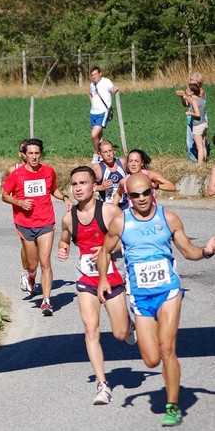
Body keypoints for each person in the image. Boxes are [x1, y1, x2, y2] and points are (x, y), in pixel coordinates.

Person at [97, 173, 215, 427]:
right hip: (140, 297)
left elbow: (187, 251)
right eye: (134, 195)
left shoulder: (168, 217)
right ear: (128, 197)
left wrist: (205, 252)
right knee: (151, 359)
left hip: (168, 291)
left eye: (145, 193)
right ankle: (134, 327)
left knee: (166, 348)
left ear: (153, 191)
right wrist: (103, 279)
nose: (141, 198)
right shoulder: (121, 222)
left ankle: (172, 405)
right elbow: (104, 251)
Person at [58, 166, 135, 404]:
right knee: (91, 329)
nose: (78, 188)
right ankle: (103, 385)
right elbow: (64, 237)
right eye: (74, 184)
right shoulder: (68, 217)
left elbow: (129, 241)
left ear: (94, 186)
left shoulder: (110, 211)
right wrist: (63, 247)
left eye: (83, 183)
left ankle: (129, 326)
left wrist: (106, 249)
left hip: (111, 276)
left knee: (120, 334)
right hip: (86, 278)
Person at [2, 138, 73, 316]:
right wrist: (19, 202)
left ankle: (46, 302)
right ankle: (30, 275)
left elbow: (53, 189)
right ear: (24, 155)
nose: (34, 157)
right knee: (32, 263)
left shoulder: (48, 171)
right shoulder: (17, 174)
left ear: (41, 154)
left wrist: (64, 197)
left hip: (46, 222)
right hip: (25, 223)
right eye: (30, 153)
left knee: (45, 261)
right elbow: (4, 195)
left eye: (37, 153)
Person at [3, 139, 31, 292]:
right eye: (23, 150)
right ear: (20, 153)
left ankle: (31, 274)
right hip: (21, 212)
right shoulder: (12, 170)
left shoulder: (39, 169)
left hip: (39, 212)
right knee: (26, 244)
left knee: (38, 249)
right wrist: (18, 201)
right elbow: (5, 188)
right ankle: (25, 273)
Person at [89, 66, 118, 164]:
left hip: (103, 112)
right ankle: (103, 154)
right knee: (99, 136)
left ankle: (96, 154)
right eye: (92, 75)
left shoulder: (106, 81)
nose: (93, 77)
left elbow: (112, 88)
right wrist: (92, 102)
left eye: (95, 74)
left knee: (94, 135)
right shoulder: (92, 85)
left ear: (100, 74)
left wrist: (115, 89)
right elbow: (90, 94)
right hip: (93, 112)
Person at [176, 72, 207, 163]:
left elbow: (194, 101)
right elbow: (186, 104)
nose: (189, 81)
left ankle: (199, 161)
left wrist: (185, 95)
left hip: (199, 119)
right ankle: (195, 159)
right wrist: (182, 97)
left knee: (200, 142)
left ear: (198, 82)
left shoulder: (200, 91)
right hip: (192, 119)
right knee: (191, 140)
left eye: (192, 80)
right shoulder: (190, 91)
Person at [91, 140, 127, 207]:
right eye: (105, 152)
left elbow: (134, 177)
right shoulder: (96, 168)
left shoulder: (123, 162)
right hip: (106, 207)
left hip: (125, 205)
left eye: (110, 151)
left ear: (114, 151)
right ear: (100, 154)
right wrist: (100, 187)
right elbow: (87, 187)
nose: (108, 154)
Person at [183, 83, 208, 165]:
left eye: (187, 90)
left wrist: (189, 113)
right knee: (203, 145)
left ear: (192, 92)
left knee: (199, 147)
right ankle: (205, 161)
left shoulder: (194, 101)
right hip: (204, 124)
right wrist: (184, 96)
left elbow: (197, 114)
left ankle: (199, 165)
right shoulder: (201, 100)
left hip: (198, 125)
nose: (186, 90)